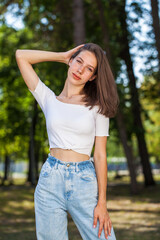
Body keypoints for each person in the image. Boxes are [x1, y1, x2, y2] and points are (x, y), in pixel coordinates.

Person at [15, 43, 119, 240]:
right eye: (78, 61)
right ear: (71, 62)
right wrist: (61, 56)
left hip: (84, 181)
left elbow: (100, 154)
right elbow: (21, 56)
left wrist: (102, 203)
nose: (80, 70)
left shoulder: (98, 107)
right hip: (50, 180)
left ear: (93, 77)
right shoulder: (48, 99)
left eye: (89, 68)